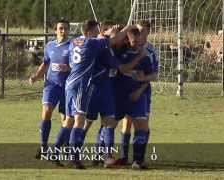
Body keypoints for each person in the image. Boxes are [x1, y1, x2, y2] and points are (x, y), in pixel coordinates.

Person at [65, 19, 137, 169]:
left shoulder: (74, 41)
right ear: (92, 31)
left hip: (73, 83)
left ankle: (104, 156)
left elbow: (71, 62)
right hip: (85, 86)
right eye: (97, 29)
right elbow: (114, 42)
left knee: (101, 121)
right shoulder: (95, 44)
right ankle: (73, 157)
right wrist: (126, 28)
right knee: (80, 122)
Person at [29, 18, 73, 166]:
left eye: (66, 28)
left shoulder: (73, 45)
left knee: (65, 119)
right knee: (46, 111)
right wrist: (36, 75)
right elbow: (45, 63)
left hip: (67, 87)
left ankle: (66, 147)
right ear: (56, 30)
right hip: (51, 85)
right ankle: (43, 147)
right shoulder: (50, 45)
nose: (63, 31)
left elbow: (78, 64)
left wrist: (69, 68)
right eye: (60, 28)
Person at [115, 21, 159, 168]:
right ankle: (122, 156)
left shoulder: (150, 51)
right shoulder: (125, 48)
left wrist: (142, 81)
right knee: (124, 123)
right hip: (123, 93)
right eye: (138, 31)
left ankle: (138, 159)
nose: (140, 35)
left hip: (141, 94)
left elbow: (153, 75)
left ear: (148, 33)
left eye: (143, 31)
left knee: (141, 125)